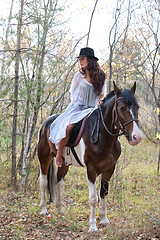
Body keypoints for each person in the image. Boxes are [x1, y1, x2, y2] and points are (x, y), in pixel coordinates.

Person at [49, 47, 106, 167]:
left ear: (90, 60)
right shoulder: (78, 76)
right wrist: (72, 109)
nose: (80, 62)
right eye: (79, 59)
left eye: (83, 59)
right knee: (69, 127)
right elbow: (73, 94)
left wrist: (100, 102)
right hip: (77, 107)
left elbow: (101, 94)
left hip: (93, 108)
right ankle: (59, 154)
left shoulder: (101, 76)